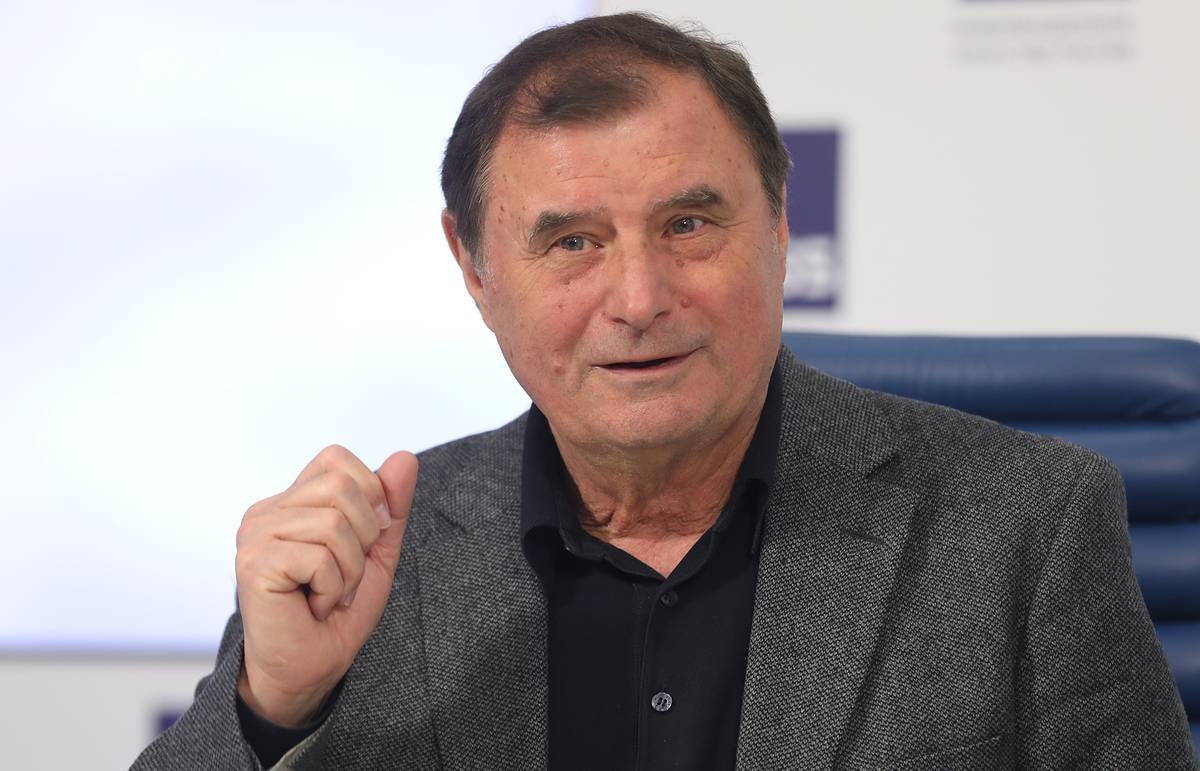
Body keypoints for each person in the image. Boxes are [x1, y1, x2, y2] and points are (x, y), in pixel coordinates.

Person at [134, 12, 1196, 770]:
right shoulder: (372, 560)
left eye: (689, 224)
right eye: (572, 242)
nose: (639, 298)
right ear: (474, 269)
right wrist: (275, 708)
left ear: (779, 225)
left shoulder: (1027, 524)